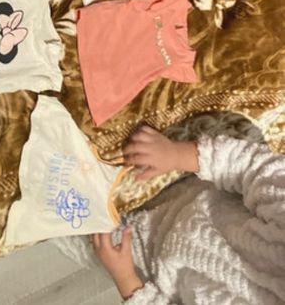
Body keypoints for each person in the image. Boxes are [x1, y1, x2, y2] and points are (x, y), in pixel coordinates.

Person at [91, 125, 285, 304]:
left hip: (136, 261)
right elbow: (255, 166)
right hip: (175, 181)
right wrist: (175, 155)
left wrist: (125, 279)